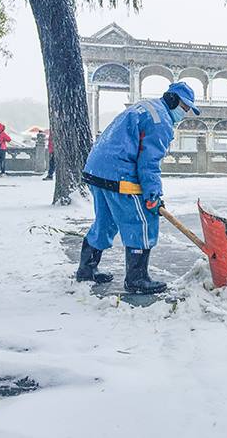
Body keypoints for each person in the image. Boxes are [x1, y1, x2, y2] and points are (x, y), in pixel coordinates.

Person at [78, 82, 200, 294]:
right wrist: (152, 195)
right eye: (185, 107)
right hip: (119, 173)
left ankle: (86, 270)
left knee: (105, 221)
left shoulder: (147, 106)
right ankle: (137, 279)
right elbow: (149, 163)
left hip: (96, 169)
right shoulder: (160, 121)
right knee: (142, 220)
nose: (185, 112)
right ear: (172, 100)